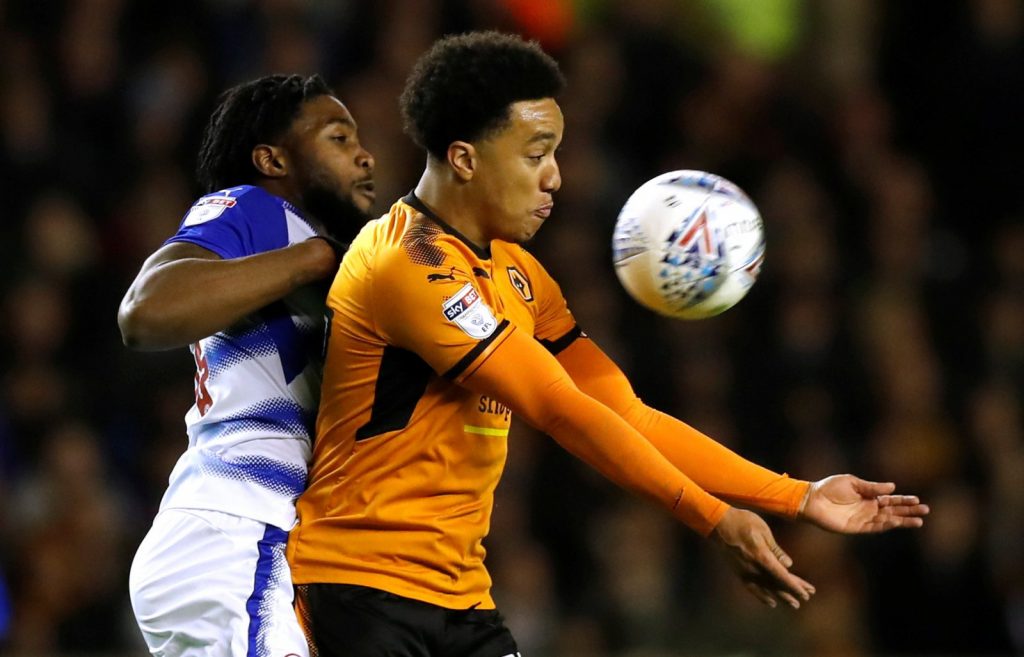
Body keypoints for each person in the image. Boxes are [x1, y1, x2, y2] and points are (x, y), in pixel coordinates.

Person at [286, 32, 928, 657]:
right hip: (359, 587)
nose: (555, 178)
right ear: (464, 158)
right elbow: (558, 406)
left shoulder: (520, 274)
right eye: (536, 155)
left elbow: (624, 412)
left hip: (457, 593)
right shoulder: (406, 261)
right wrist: (713, 519)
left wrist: (797, 496)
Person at [117, 73, 375, 657]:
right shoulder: (256, 209)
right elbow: (146, 309)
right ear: (271, 159)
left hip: (255, 546)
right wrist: (312, 259)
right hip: (236, 533)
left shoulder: (333, 260)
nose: (365, 155)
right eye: (338, 138)